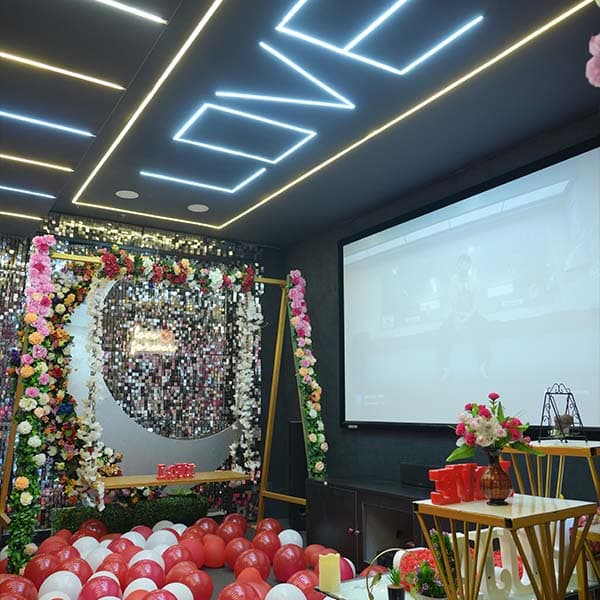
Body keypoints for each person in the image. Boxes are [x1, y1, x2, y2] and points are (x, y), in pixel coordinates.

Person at [438, 253, 490, 380]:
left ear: (469, 265)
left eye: (466, 263)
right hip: (456, 314)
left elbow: (476, 304)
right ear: (457, 266)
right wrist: (457, 318)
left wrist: (467, 318)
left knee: (484, 326)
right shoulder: (453, 280)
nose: (463, 266)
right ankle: (445, 368)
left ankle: (484, 364)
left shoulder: (474, 281)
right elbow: (452, 303)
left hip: (471, 314)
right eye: (460, 263)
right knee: (442, 331)